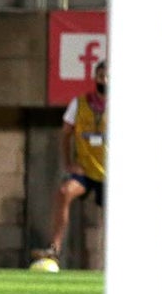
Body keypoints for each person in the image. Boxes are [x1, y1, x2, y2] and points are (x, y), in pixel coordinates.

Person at [33, 59, 107, 267]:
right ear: (95, 78)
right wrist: (69, 163)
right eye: (101, 76)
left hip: (111, 171)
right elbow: (65, 134)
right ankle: (54, 247)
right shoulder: (80, 103)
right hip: (85, 170)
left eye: (109, 76)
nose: (105, 80)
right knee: (65, 192)